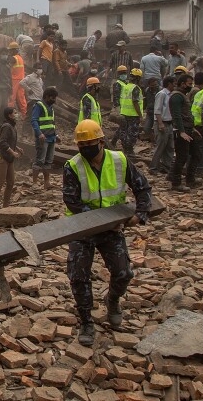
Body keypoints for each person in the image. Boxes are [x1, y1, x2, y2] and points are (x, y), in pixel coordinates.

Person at [64, 119, 152, 347]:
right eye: (81, 146)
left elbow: (142, 187)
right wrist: (102, 221)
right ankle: (86, 321)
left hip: (111, 229)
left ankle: (112, 301)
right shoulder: (72, 166)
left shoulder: (119, 160)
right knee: (79, 276)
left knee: (123, 273)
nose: (85, 149)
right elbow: (72, 201)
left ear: (101, 141)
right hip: (81, 227)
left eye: (89, 144)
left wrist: (140, 214)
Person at [168, 74, 201, 191]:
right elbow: (177, 115)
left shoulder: (183, 95)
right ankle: (176, 183)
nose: (190, 86)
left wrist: (192, 128)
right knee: (182, 157)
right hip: (181, 131)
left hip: (188, 129)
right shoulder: (176, 96)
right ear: (182, 84)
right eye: (189, 84)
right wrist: (182, 131)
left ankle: (190, 179)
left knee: (196, 153)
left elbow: (186, 114)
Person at [0, 107, 22, 210]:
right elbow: (2, 142)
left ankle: (6, 205)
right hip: (2, 158)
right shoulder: (7, 126)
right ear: (9, 115)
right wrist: (13, 152)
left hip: (9, 159)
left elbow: (10, 141)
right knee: (0, 183)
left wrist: (17, 148)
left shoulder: (13, 126)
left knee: (11, 182)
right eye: (15, 113)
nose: (17, 114)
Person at [31, 87, 58, 190]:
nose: (54, 100)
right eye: (52, 97)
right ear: (46, 96)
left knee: (48, 161)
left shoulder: (51, 107)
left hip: (51, 137)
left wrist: (56, 135)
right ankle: (34, 183)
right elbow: (34, 120)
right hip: (43, 138)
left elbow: (51, 123)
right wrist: (39, 134)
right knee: (39, 160)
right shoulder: (39, 106)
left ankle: (47, 183)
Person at [149, 76, 175, 174]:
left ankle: (166, 167)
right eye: (173, 83)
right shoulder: (162, 94)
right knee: (160, 147)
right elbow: (157, 110)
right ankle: (153, 168)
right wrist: (160, 124)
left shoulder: (170, 95)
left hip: (169, 123)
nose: (175, 86)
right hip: (162, 123)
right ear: (169, 84)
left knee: (170, 147)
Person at [119, 69, 144, 157]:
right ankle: (129, 150)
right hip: (133, 114)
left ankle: (126, 149)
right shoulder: (135, 88)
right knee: (132, 133)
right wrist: (140, 116)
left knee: (124, 131)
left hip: (124, 113)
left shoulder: (126, 86)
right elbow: (135, 102)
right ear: (138, 78)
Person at [19, 62, 45, 136]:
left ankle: (32, 134)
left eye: (41, 68)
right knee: (29, 117)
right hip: (33, 101)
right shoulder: (30, 77)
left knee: (37, 118)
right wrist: (28, 89)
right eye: (39, 68)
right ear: (34, 69)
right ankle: (25, 134)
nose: (40, 69)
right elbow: (21, 83)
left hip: (39, 101)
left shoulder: (40, 79)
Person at [110, 65, 129, 147]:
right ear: (118, 74)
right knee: (124, 126)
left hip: (126, 109)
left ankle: (114, 141)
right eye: (122, 73)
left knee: (123, 126)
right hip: (121, 108)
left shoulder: (126, 83)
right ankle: (123, 143)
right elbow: (116, 97)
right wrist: (118, 109)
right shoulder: (117, 84)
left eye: (124, 73)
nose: (124, 74)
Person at [8, 41, 27, 116]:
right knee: (21, 98)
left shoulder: (13, 58)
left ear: (14, 50)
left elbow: (8, 63)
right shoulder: (20, 58)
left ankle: (9, 114)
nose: (9, 52)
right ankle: (24, 114)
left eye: (10, 50)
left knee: (11, 97)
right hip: (21, 80)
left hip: (14, 80)